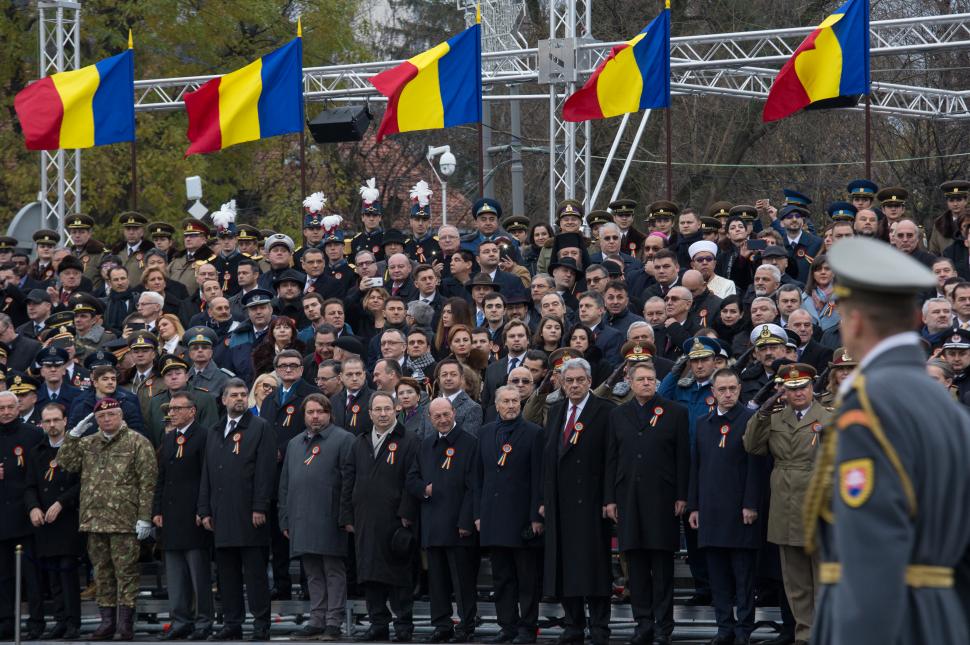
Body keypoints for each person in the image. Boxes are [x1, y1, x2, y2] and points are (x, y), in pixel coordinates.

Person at [804, 237, 970, 644]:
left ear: (855, 320)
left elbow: (870, 557)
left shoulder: (869, 407)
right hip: (939, 619)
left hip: (887, 622)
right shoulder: (945, 405)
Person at [743, 364, 832, 645]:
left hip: (820, 499)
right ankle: (805, 633)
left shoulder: (829, 417)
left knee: (823, 576)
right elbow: (752, 446)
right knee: (795, 580)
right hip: (785, 501)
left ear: (813, 387)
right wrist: (762, 413)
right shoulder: (776, 418)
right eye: (791, 388)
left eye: (803, 387)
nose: (798, 393)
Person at [57, 398, 157, 641]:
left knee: (126, 573)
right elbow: (65, 463)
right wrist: (73, 435)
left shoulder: (137, 442)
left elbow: (148, 482)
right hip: (94, 519)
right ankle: (107, 622)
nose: (107, 419)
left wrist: (145, 517)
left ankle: (124, 624)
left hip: (124, 520)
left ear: (121, 415)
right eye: (101, 417)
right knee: (101, 573)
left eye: (111, 415)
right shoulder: (89, 443)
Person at [605, 362, 689, 645]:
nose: (646, 384)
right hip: (628, 497)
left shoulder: (675, 412)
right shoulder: (618, 415)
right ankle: (643, 623)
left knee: (662, 565)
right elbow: (611, 459)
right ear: (629, 382)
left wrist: (681, 495)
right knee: (636, 566)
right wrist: (610, 499)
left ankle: (664, 626)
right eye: (640, 379)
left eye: (651, 379)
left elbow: (682, 458)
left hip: (662, 498)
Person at [688, 369, 764, 645]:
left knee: (743, 578)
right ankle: (725, 628)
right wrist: (694, 506)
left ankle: (743, 629)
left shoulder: (750, 420)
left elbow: (756, 467)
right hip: (711, 510)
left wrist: (751, 503)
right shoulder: (702, 422)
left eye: (732, 388)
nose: (728, 394)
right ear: (713, 392)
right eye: (722, 389)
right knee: (717, 576)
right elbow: (697, 466)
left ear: (740, 389)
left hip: (741, 511)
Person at [542, 358, 616, 645]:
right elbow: (549, 458)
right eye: (568, 380)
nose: (574, 385)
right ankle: (572, 624)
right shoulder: (556, 410)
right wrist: (544, 498)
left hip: (592, 501)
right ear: (561, 382)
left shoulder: (605, 411)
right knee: (565, 566)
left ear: (589, 381)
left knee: (595, 568)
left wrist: (609, 498)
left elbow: (611, 460)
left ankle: (599, 627)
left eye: (579, 380)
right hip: (560, 501)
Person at [198, 379, 276, 640]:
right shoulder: (214, 429)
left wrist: (260, 506)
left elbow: (265, 471)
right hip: (221, 514)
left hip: (250, 513)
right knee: (227, 575)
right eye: (234, 395)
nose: (240, 399)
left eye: (244, 394)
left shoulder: (259, 427)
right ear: (224, 400)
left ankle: (261, 623)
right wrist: (204, 509)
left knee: (255, 575)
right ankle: (232, 623)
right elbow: (207, 473)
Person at [340, 391, 420, 642]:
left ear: (396, 409)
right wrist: (347, 516)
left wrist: (407, 513)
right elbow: (348, 480)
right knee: (370, 573)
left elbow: (413, 479)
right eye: (378, 409)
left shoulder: (410, 440)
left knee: (398, 576)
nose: (383, 414)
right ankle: (378, 623)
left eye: (387, 408)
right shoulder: (360, 441)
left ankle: (404, 625)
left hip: (396, 520)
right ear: (370, 413)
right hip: (364, 519)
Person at [279, 393, 355, 641]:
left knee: (333, 571)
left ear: (329, 413)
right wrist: (285, 518)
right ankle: (316, 618)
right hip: (300, 517)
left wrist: (345, 517)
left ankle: (334, 621)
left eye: (320, 412)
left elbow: (349, 483)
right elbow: (285, 485)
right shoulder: (294, 443)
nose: (315, 416)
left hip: (330, 516)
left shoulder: (344, 440)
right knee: (312, 572)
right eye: (310, 412)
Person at [406, 398, 479, 642]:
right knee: (437, 582)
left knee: (462, 583)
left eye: (446, 414)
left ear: (454, 413)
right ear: (429, 418)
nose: (442, 419)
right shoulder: (426, 445)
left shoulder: (470, 443)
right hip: (433, 524)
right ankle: (442, 625)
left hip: (459, 526)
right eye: (436, 416)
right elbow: (412, 478)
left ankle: (466, 626)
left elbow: (473, 487)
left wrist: (466, 521)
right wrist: (423, 490)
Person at [477, 385, 545, 644]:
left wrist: (536, 517)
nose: (511, 405)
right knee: (502, 578)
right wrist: (478, 514)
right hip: (493, 517)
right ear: (496, 404)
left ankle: (528, 628)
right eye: (505, 401)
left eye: (515, 401)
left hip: (522, 519)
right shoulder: (484, 433)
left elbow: (538, 477)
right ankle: (507, 626)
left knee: (527, 579)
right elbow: (478, 478)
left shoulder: (534, 433)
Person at [152, 391, 214, 640]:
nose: (172, 413)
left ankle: (203, 621)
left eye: (178, 409)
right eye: (170, 409)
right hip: (170, 515)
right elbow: (161, 478)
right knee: (175, 575)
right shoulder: (168, 439)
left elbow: (206, 478)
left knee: (198, 574)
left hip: (193, 516)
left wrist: (203, 509)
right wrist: (156, 509)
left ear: (192, 411)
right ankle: (180, 620)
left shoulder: (203, 436)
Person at [260, 349, 321, 599]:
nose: (288, 369)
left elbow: (314, 429)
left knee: (303, 532)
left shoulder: (309, 395)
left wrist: (282, 451)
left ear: (301, 368)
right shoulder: (270, 397)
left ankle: (308, 586)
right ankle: (282, 584)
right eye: (283, 365)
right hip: (273, 476)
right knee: (278, 534)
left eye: (293, 365)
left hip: (300, 468)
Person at [25, 403, 83, 640]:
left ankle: (72, 622)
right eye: (47, 421)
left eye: (56, 420)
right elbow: (29, 485)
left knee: (67, 574)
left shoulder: (76, 448)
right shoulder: (37, 451)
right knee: (53, 578)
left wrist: (61, 502)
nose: (52, 425)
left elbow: (83, 483)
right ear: (41, 423)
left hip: (67, 519)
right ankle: (59, 620)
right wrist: (33, 507)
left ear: (65, 421)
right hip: (45, 523)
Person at [0, 390, 45, 639]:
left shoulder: (33, 434)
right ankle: (6, 622)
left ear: (19, 408)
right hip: (1, 515)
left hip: (26, 514)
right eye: (1, 408)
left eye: (10, 407)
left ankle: (36, 622)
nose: (6, 412)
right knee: (3, 576)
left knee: (31, 575)